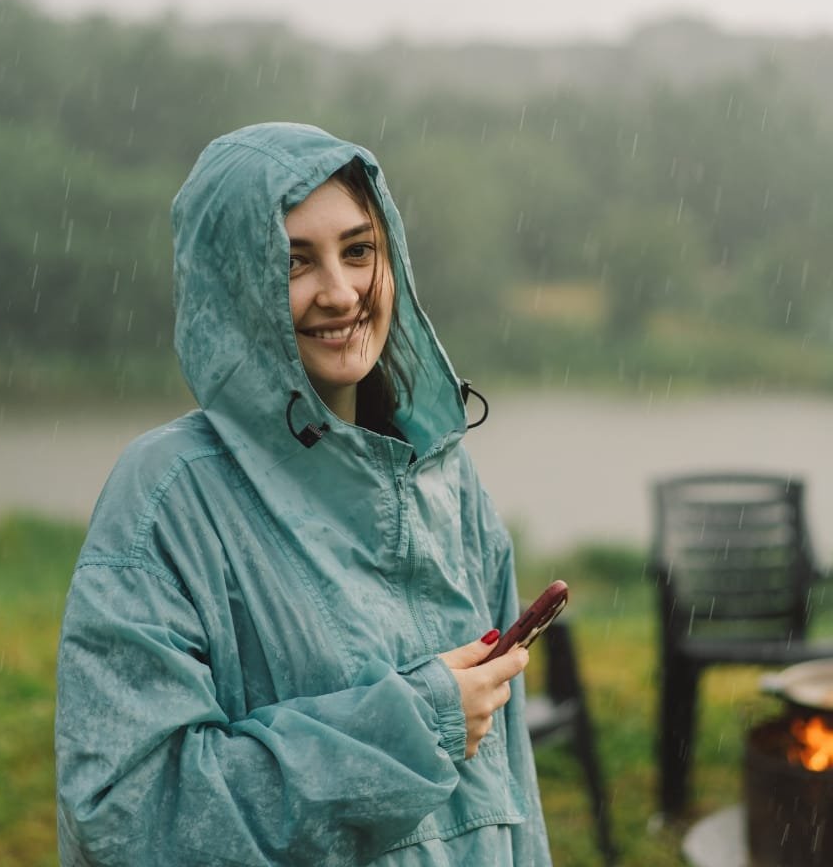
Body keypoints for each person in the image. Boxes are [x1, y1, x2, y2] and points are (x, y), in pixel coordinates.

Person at [55, 122, 552, 866]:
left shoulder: (446, 481)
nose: (340, 291)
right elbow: (131, 818)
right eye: (293, 263)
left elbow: (510, 791)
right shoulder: (170, 500)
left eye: (359, 250)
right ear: (232, 289)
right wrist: (410, 728)